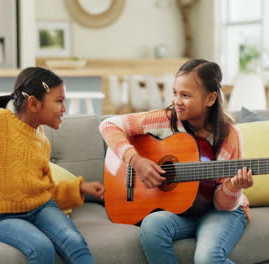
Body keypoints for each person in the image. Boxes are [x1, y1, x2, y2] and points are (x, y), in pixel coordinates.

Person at [0, 67, 104, 264]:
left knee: (75, 241)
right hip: (3, 218)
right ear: (34, 103)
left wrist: (79, 188)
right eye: (59, 101)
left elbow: (43, 186)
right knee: (42, 248)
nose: (64, 109)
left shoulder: (41, 137)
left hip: (42, 207)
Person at [99, 59, 253, 264]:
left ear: (210, 99)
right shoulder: (166, 119)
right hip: (184, 211)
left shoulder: (229, 135)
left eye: (185, 95)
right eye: (175, 93)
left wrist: (234, 186)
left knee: (207, 259)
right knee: (152, 225)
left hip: (221, 211)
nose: (177, 101)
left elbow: (222, 204)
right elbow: (108, 125)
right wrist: (136, 161)